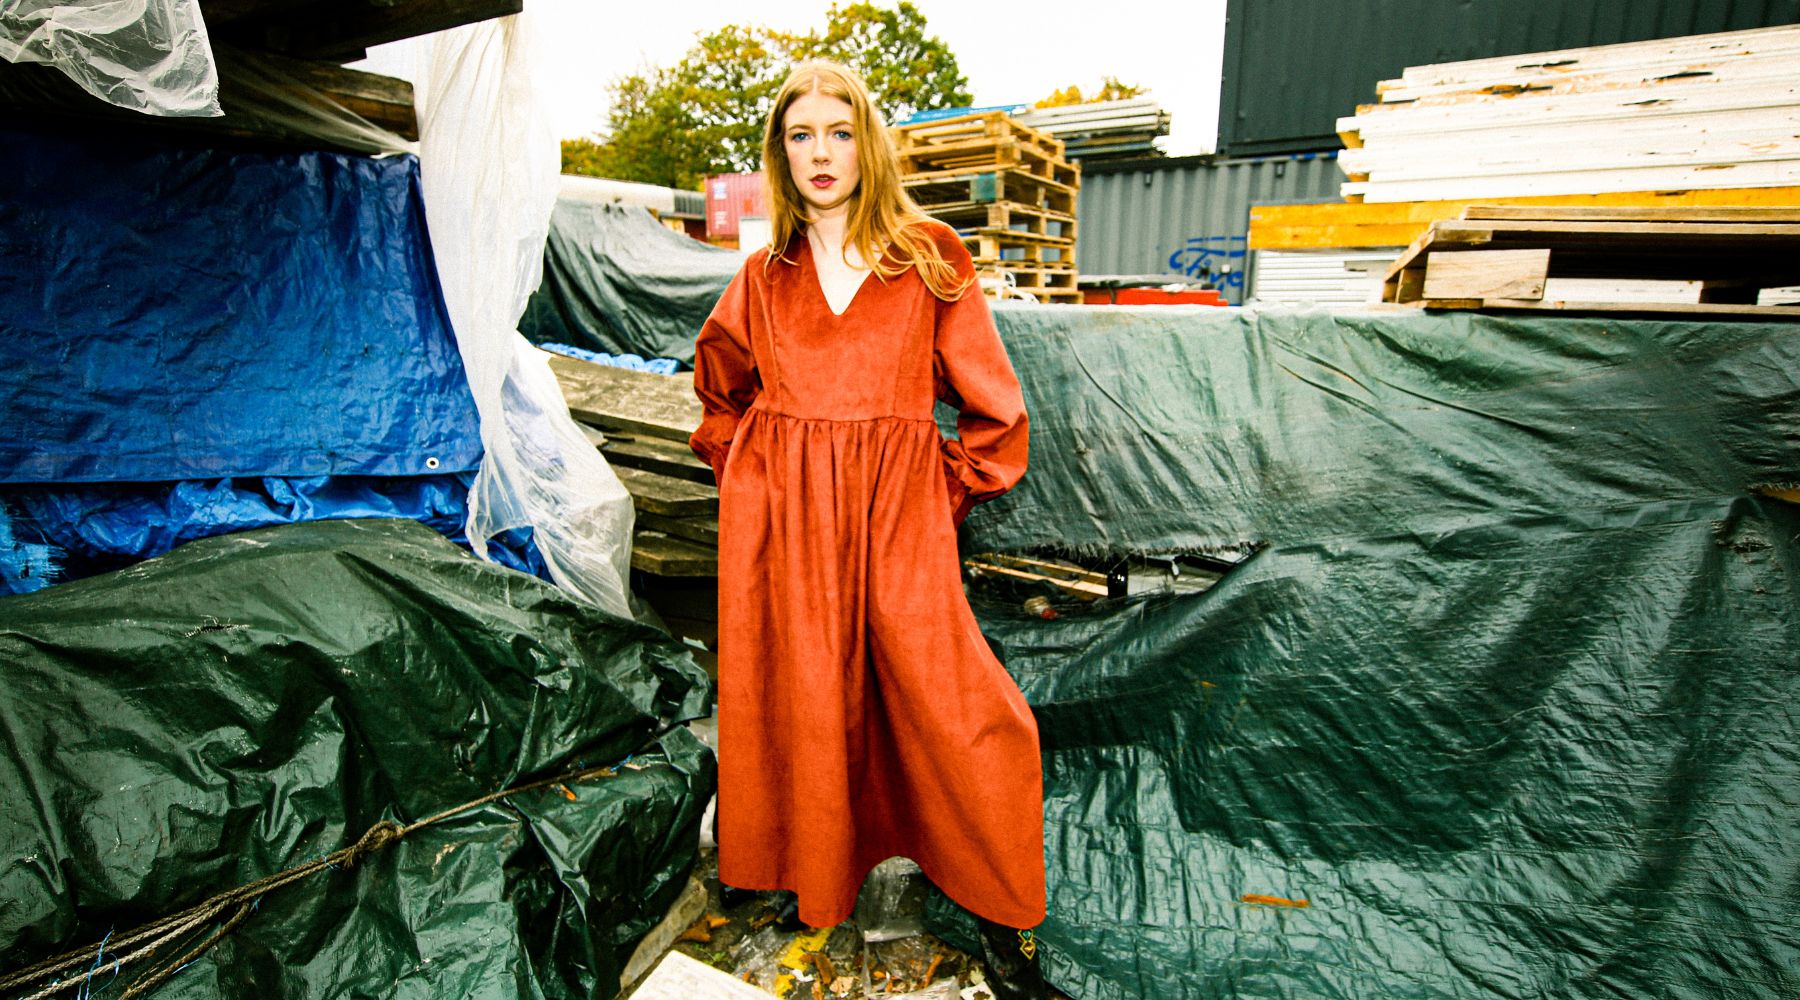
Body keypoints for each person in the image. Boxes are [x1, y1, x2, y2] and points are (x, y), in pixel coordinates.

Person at [688, 60, 1049, 999]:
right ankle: (806, 875)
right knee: (801, 696)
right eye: (801, 135)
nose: (821, 153)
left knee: (955, 698)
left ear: (868, 143)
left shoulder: (928, 255)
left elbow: (994, 411)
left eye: (839, 132)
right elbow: (718, 388)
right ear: (780, 150)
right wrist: (753, 478)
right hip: (785, 530)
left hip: (897, 517)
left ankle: (1001, 895)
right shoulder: (766, 274)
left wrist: (940, 493)